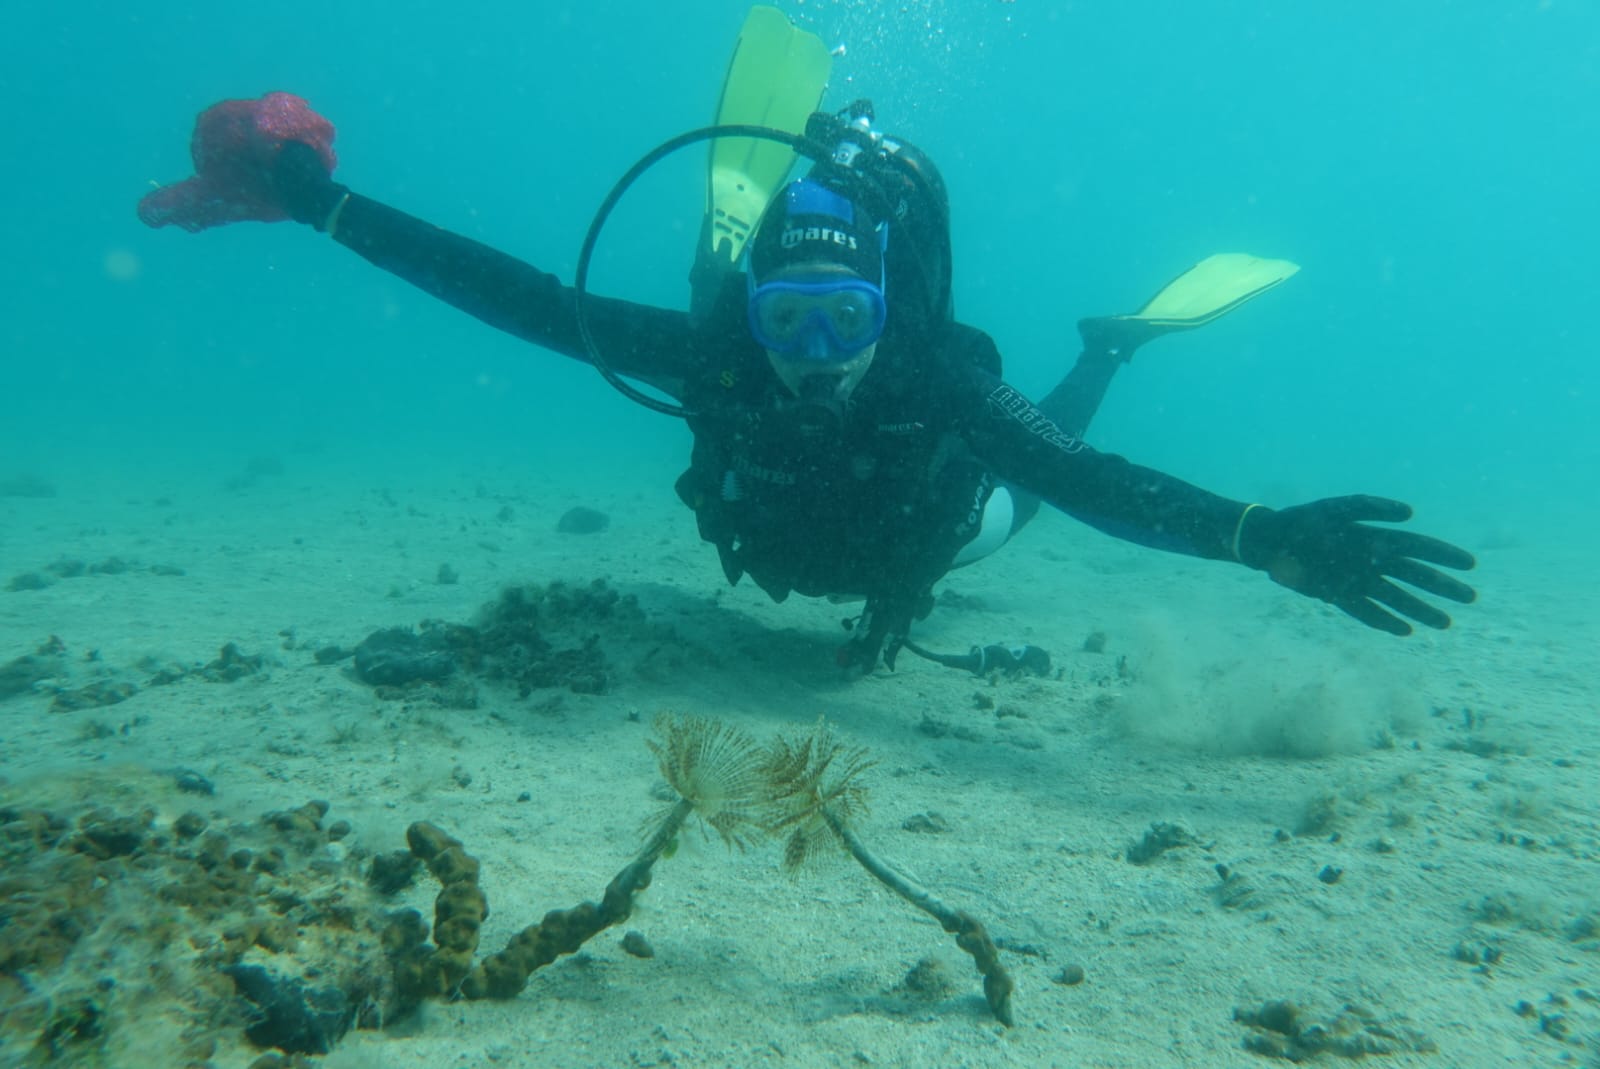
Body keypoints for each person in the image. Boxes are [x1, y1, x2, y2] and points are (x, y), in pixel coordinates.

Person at [137, 92, 1476, 671]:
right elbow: (517, 297)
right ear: (753, 309)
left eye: (848, 317)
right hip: (796, 543)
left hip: (942, 541)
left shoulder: (927, 372)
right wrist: (319, 201)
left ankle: (1110, 343)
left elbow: (1090, 477)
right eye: (791, 313)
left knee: (1038, 468)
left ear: (885, 313)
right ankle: (761, 251)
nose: (817, 350)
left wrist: (1256, 538)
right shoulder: (715, 352)